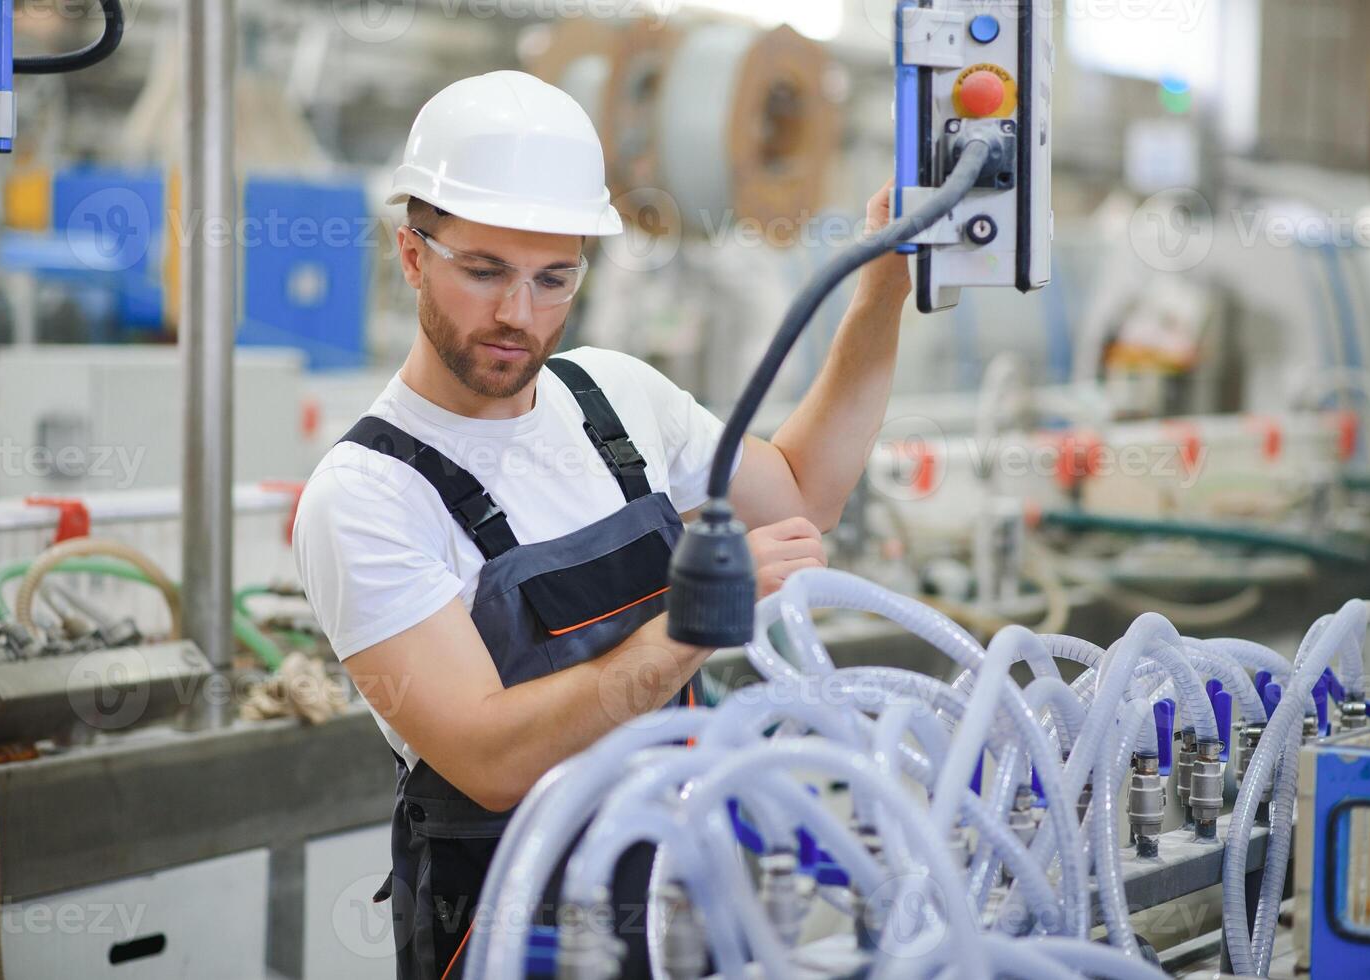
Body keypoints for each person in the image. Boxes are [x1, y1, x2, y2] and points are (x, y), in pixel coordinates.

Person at [293, 69, 914, 979]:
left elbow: (802, 492)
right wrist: (700, 624)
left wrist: (881, 291)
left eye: (555, 278)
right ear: (413, 254)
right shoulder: (368, 494)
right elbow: (492, 757)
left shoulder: (613, 396)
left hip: (681, 884)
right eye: (484, 272)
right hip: (512, 928)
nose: (519, 315)